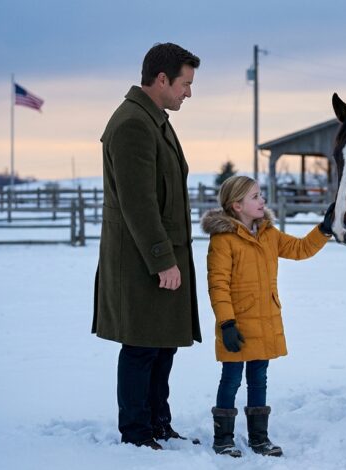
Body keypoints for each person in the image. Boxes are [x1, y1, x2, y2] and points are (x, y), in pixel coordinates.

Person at [92, 43, 202, 450]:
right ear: (161, 80)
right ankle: (136, 433)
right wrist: (161, 259)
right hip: (143, 260)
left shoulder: (154, 119)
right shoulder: (133, 125)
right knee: (141, 346)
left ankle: (159, 423)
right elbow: (139, 203)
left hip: (161, 256)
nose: (188, 93)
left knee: (162, 344)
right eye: (184, 84)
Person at [200, 176, 335, 458]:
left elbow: (300, 249)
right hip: (236, 325)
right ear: (237, 205)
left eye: (261, 195)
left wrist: (324, 229)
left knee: (259, 379)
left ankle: (259, 438)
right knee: (231, 379)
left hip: (265, 320)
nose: (263, 201)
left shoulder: (269, 235)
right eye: (255, 197)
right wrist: (226, 323)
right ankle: (223, 437)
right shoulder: (223, 240)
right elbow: (218, 285)